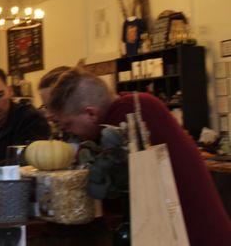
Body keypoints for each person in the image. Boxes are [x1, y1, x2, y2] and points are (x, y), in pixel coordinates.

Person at [48, 68, 231, 245]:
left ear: (91, 113)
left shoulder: (128, 117)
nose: (69, 133)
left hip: (191, 236)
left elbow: (112, 199)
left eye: (68, 125)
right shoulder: (136, 104)